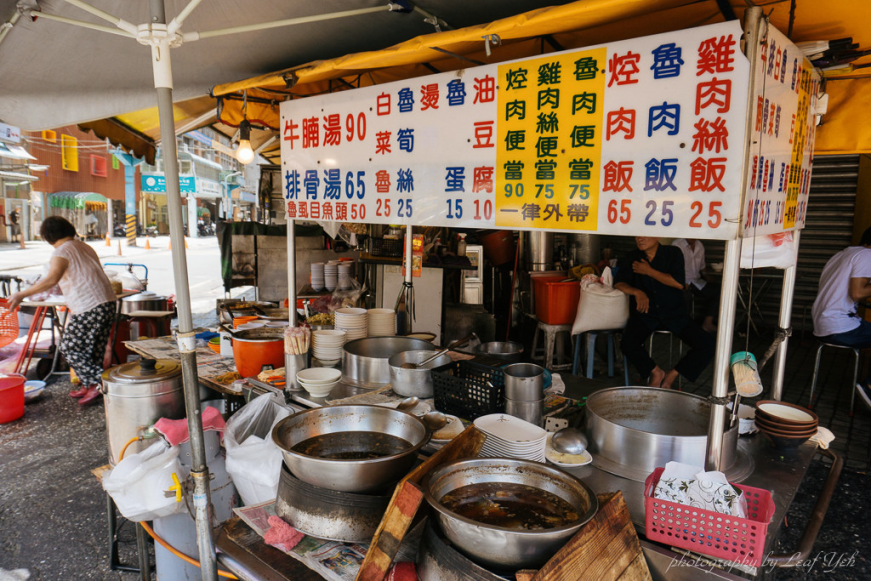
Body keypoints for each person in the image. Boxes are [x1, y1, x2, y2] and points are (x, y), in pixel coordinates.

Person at [8, 216, 117, 406]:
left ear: (47, 236)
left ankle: (100, 383)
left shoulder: (62, 251)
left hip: (90, 305)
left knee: (69, 347)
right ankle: (88, 384)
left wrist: (21, 294)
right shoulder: (83, 246)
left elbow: (52, 279)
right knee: (93, 350)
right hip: (106, 302)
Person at [615, 236, 715, 389]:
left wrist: (649, 271)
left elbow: (678, 283)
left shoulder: (673, 253)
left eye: (645, 235)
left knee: (706, 344)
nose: (640, 239)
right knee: (628, 343)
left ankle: (672, 374)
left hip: (674, 314)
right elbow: (619, 282)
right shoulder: (632, 257)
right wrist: (636, 291)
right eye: (637, 235)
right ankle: (656, 372)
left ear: (657, 236)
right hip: (646, 315)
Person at [811, 227, 871, 409]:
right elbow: (857, 292)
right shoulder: (867, 255)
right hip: (838, 326)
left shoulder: (841, 254)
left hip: (823, 323)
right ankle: (869, 387)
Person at [672, 238, 720, 333]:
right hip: (681, 282)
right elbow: (672, 267)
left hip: (696, 282)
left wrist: (708, 277)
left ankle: (707, 324)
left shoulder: (699, 245)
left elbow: (702, 267)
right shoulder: (677, 245)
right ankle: (683, 328)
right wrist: (681, 282)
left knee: (718, 291)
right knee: (685, 295)